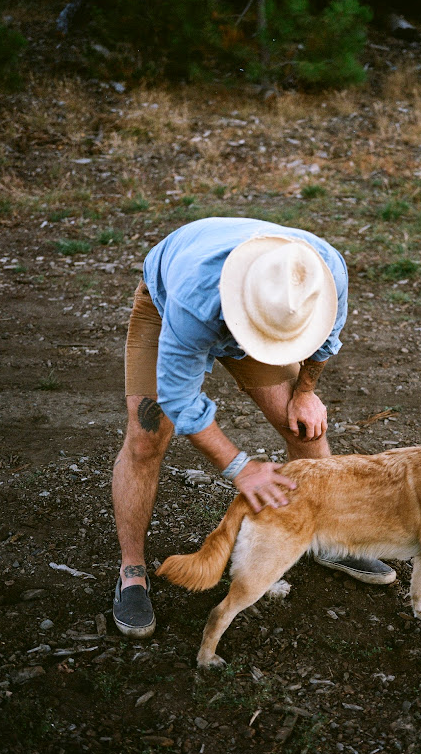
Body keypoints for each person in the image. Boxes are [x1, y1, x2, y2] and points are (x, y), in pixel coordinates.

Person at [111, 217, 396, 639]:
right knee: (146, 440)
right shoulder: (193, 301)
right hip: (168, 305)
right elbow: (180, 400)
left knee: (304, 426)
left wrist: (305, 392)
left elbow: (326, 341)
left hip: (266, 313)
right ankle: (131, 572)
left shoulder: (322, 273)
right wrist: (241, 468)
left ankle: (332, 540)